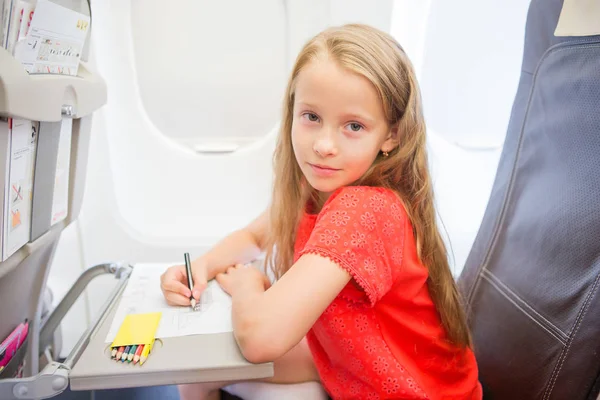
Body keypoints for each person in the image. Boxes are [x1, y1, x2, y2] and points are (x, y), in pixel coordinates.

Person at [160, 23, 482, 400]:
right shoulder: (318, 184)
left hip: (411, 391)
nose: (324, 145)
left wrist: (248, 287)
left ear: (391, 135)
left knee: (205, 368)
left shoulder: (366, 209)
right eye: (312, 117)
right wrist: (200, 268)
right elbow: (254, 237)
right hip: (350, 358)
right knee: (197, 372)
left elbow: (260, 339)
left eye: (354, 126)